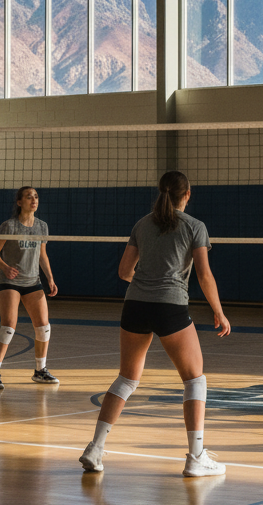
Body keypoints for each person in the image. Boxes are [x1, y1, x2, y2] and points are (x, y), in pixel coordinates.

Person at [79, 171, 231, 477]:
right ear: (187, 194)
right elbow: (204, 275)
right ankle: (196, 457)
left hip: (134, 305)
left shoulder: (142, 223)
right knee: (194, 380)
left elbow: (124, 271)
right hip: (170, 306)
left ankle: (95, 449)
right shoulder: (195, 227)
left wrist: (147, 284)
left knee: (126, 379)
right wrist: (219, 310)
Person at [0, 186, 58, 389]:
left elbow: (42, 255)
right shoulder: (8, 226)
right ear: (19, 202)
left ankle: (40, 371)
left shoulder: (42, 227)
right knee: (8, 327)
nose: (33, 200)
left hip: (33, 281)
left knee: (44, 327)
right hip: (10, 282)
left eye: (36, 197)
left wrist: (50, 279)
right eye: (29, 197)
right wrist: (6, 267)